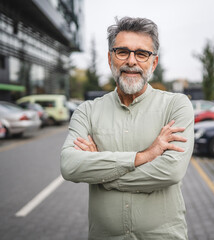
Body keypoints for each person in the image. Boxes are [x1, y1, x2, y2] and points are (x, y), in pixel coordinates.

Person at [60, 16, 194, 240]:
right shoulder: (87, 111)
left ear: (154, 62)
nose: (131, 61)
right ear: (110, 58)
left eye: (141, 54)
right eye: (122, 52)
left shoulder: (176, 106)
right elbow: (70, 166)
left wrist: (103, 176)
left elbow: (171, 171)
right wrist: (145, 156)